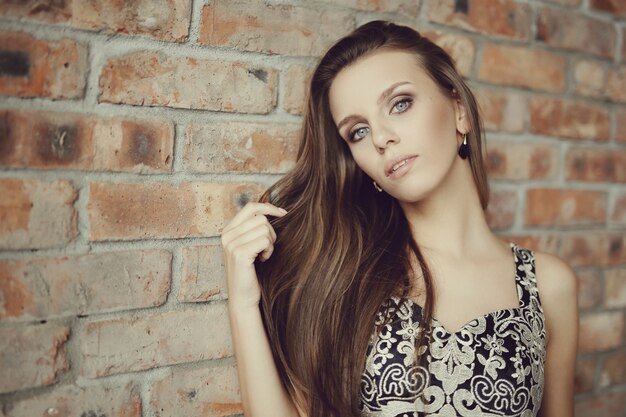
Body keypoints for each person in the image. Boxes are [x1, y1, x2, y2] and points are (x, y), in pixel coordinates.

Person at [220, 20, 578, 417]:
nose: (381, 138)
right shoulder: (345, 279)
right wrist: (242, 303)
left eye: (400, 104)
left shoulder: (547, 285)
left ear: (459, 110)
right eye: (357, 131)